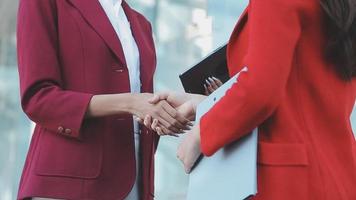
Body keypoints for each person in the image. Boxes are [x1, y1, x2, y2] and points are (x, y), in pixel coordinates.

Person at [145, 0, 356, 199]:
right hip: (335, 173)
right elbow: (301, 96)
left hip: (287, 182)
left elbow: (260, 90)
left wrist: (200, 135)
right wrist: (203, 104)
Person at [16, 0, 190, 199]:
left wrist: (165, 113)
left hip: (134, 184)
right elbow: (38, 98)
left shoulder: (142, 26)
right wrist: (131, 103)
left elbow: (142, 109)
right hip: (68, 183)